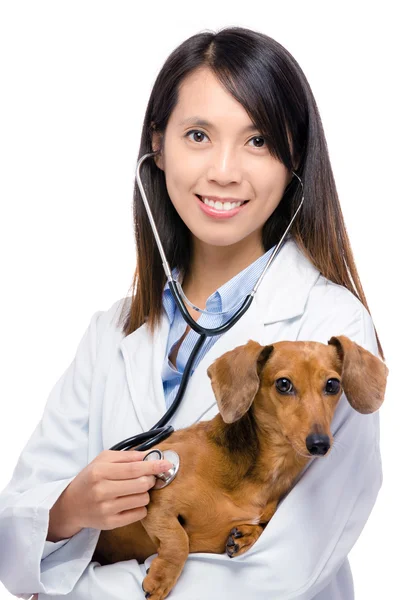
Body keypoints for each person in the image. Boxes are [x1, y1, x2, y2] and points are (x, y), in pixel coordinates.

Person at [0, 26, 385, 600]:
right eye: (198, 135)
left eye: (257, 141)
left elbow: (277, 571)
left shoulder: (331, 332)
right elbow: (15, 533)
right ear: (158, 144)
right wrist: (67, 509)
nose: (225, 170)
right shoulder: (113, 332)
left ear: (293, 157)